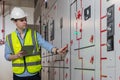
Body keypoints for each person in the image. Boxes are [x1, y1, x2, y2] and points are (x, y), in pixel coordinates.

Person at [4, 7, 68, 80]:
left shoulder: (34, 34)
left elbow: (44, 43)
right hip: (18, 75)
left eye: (25, 19)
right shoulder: (9, 37)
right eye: (22, 20)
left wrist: (56, 50)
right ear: (15, 22)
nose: (25, 22)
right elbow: (7, 56)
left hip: (34, 74)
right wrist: (17, 56)